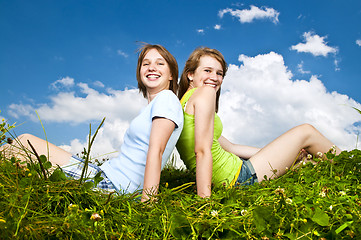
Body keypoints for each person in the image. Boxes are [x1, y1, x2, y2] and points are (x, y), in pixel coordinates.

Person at [1, 44, 183, 202]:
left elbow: (156, 151)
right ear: (139, 72)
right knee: (20, 146)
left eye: (160, 63)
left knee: (22, 144)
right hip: (105, 175)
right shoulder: (153, 107)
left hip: (114, 186)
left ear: (171, 75)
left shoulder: (166, 99)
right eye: (146, 64)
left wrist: (148, 203)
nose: (152, 67)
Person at [176, 47, 341, 198]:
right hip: (239, 177)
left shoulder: (184, 104)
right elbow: (202, 152)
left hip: (235, 174)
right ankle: (352, 165)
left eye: (219, 73)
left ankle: (332, 173)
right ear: (190, 74)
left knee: (308, 164)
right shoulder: (205, 94)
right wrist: (204, 200)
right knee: (307, 131)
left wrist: (287, 153)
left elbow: (232, 147)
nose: (215, 78)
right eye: (207, 70)